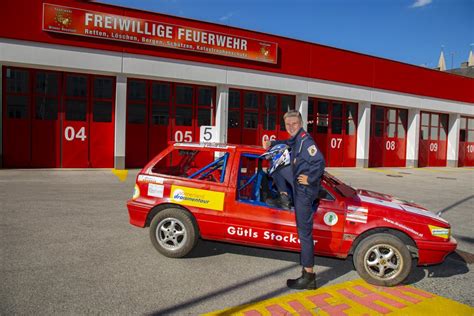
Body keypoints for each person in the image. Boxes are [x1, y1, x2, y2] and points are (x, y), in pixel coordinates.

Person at [263, 110, 325, 290]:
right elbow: (286, 143)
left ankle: (309, 275)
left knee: (304, 233)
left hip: (304, 191)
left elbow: (319, 162)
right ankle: (284, 197)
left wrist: (311, 179)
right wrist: (272, 143)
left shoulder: (306, 141)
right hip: (298, 184)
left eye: (294, 124)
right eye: (288, 125)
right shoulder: (296, 138)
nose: (291, 127)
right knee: (274, 163)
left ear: (301, 123)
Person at [260, 144, 294, 209]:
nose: (270, 163)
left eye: (271, 159)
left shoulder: (285, 170)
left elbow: (301, 190)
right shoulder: (280, 171)